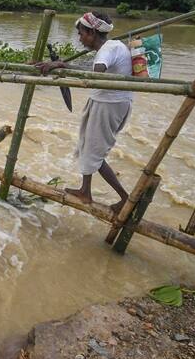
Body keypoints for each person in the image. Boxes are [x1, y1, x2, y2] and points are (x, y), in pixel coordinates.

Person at [36, 12, 133, 211]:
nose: (80, 39)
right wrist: (63, 64)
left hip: (110, 104)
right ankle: (85, 191)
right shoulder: (110, 48)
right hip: (104, 100)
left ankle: (126, 198)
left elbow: (95, 73)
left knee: (94, 153)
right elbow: (95, 67)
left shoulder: (110, 48)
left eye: (81, 34)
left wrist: (63, 65)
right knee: (87, 146)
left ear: (91, 32)